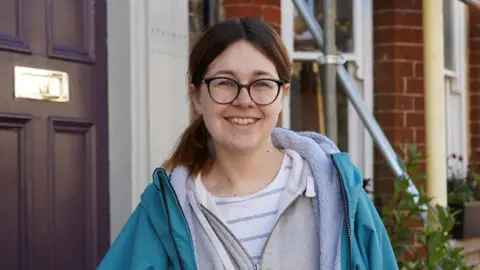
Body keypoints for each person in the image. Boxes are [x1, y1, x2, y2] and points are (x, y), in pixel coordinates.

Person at [97, 17, 397, 270]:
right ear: (197, 96)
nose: (244, 101)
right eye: (225, 83)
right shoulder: (164, 210)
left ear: (283, 95)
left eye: (262, 84)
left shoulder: (337, 191)